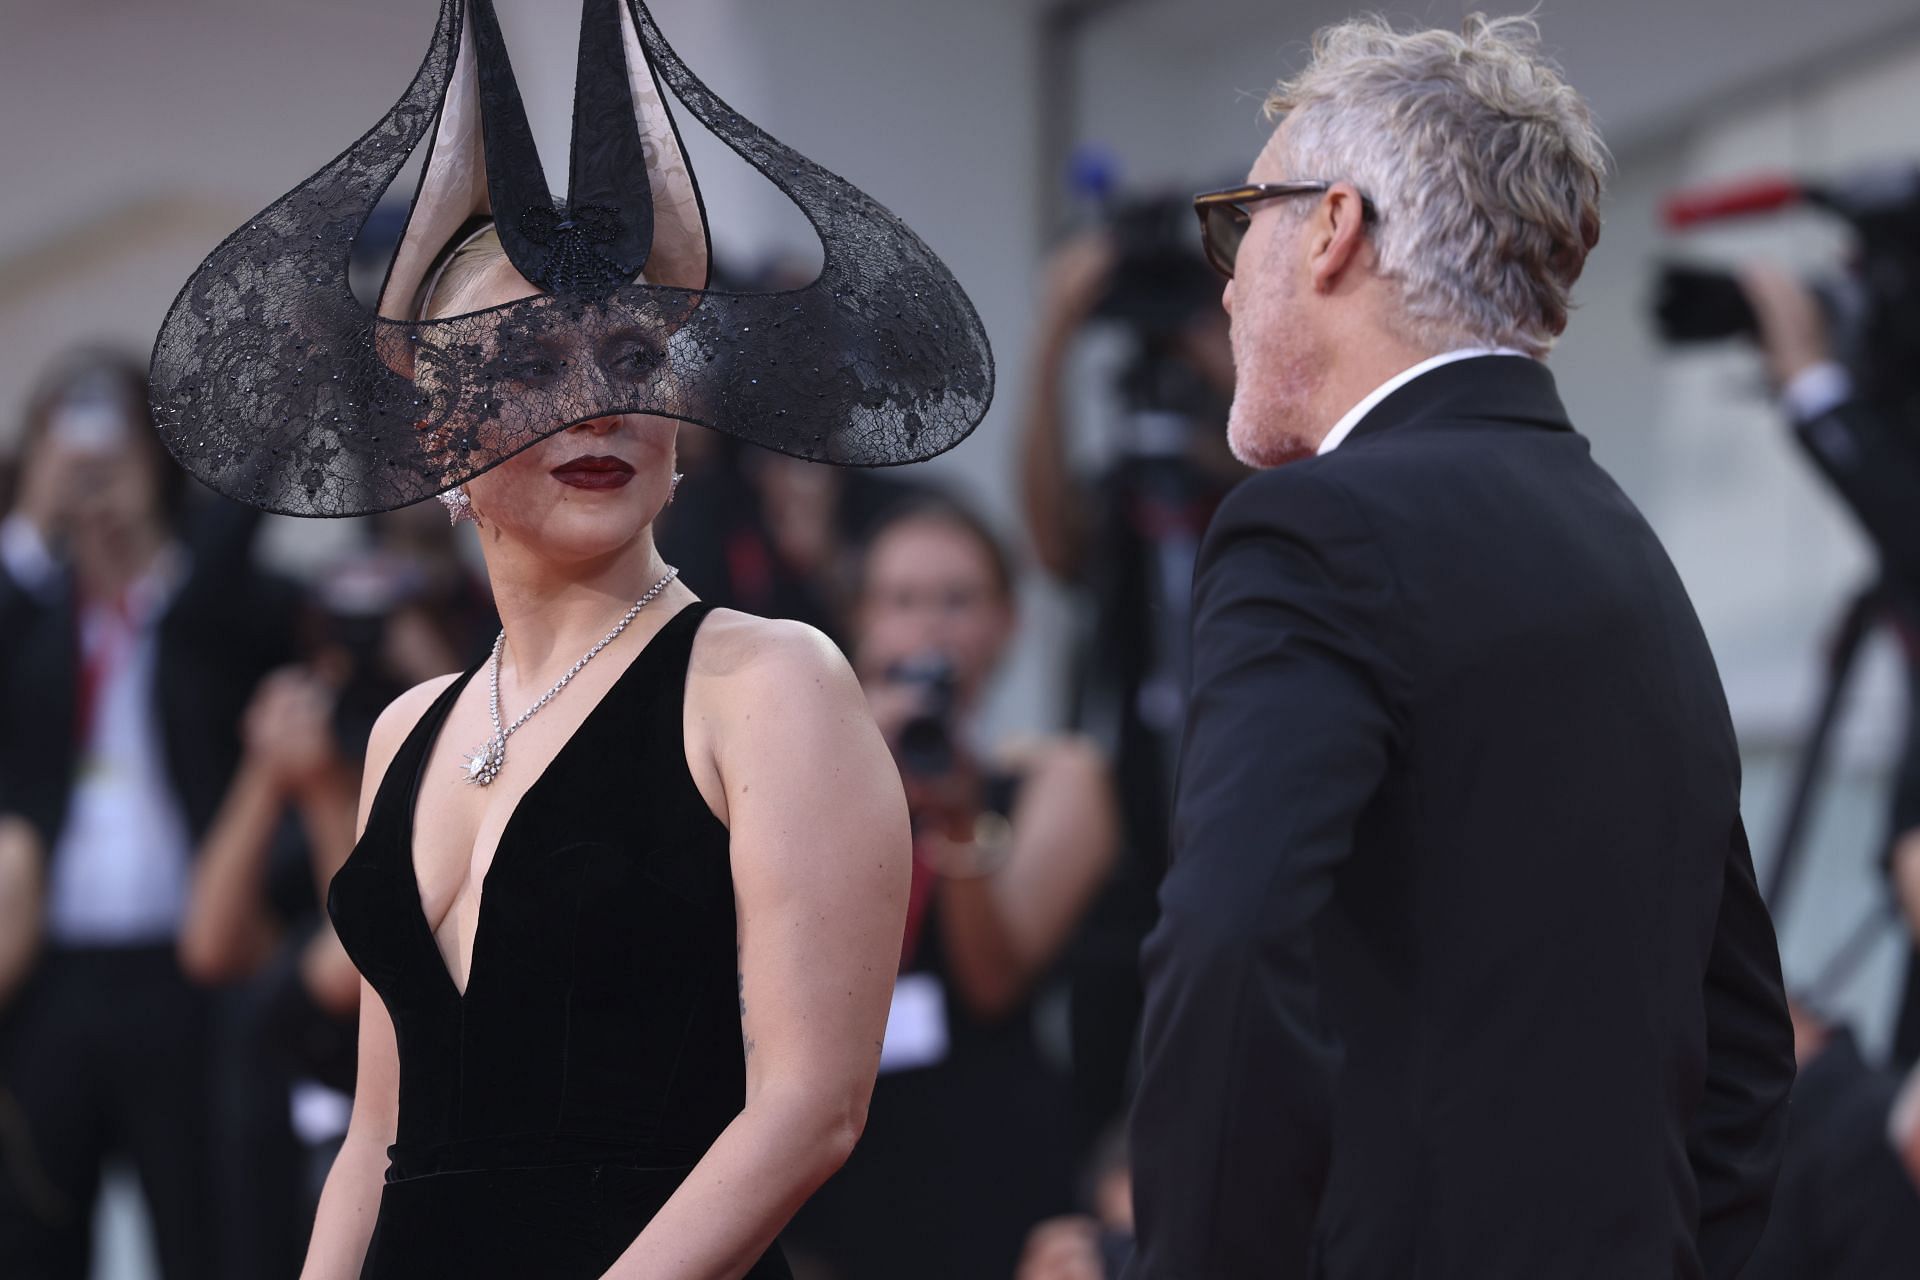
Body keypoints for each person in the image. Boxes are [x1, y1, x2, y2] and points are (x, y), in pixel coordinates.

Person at [145, 2, 995, 1275]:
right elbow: (383, 1127)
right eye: (531, 358)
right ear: (438, 436)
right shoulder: (403, 734)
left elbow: (810, 1107)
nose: (597, 397)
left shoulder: (768, 682)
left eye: (634, 351)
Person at [1126, 14, 1795, 1280]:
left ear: (1330, 229)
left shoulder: (1309, 529)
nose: (1224, 281)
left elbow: (1228, 940)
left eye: (1242, 225)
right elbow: (1745, 1045)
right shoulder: (1628, 550)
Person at [0, 348, 301, 1280]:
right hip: (47, 977)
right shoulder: (30, 618)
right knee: (34, 1230)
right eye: (73, 452)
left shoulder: (200, 609)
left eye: (115, 449)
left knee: (204, 1234)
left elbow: (225, 591)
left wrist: (155, 514)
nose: (96, 477)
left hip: (188, 974)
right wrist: (32, 519)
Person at [784, 496, 1119, 1280]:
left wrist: (958, 816)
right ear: (860, 623)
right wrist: (858, 770)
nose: (930, 627)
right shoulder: (807, 778)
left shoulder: (1055, 778)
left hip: (992, 1159)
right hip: (839, 1172)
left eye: (958, 599)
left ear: (1008, 624)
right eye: (902, 601)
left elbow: (992, 982)